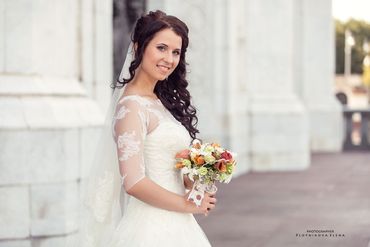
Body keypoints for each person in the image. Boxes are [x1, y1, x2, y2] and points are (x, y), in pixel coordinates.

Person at [78, 10, 216, 247]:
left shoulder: (158, 102)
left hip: (179, 222)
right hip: (150, 228)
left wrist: (197, 181)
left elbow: (167, 167)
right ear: (139, 46)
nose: (169, 59)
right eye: (161, 48)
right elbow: (133, 182)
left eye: (176, 52)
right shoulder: (131, 107)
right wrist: (186, 204)